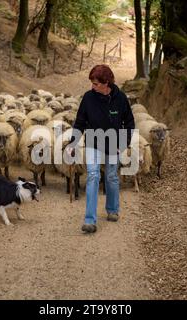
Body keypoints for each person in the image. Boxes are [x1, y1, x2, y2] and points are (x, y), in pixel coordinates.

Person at [67, 65, 135, 233]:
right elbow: (80, 122)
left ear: (107, 83)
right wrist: (72, 143)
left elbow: (130, 123)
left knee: (111, 176)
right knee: (93, 176)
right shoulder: (88, 98)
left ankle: (112, 209)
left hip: (113, 144)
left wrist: (123, 143)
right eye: (92, 83)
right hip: (93, 142)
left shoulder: (120, 99)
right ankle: (90, 220)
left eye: (96, 83)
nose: (92, 86)